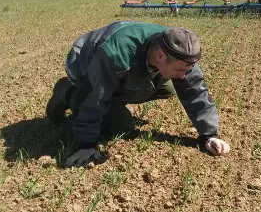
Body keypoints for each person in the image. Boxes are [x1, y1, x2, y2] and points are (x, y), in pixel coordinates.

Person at [46, 21, 230, 167]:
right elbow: (95, 97)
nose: (183, 74)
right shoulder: (115, 54)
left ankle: (115, 98)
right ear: (160, 57)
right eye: (180, 69)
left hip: (122, 69)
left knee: (170, 87)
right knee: (122, 127)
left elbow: (195, 90)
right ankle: (69, 92)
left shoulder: (181, 51)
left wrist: (209, 135)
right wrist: (86, 145)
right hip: (85, 66)